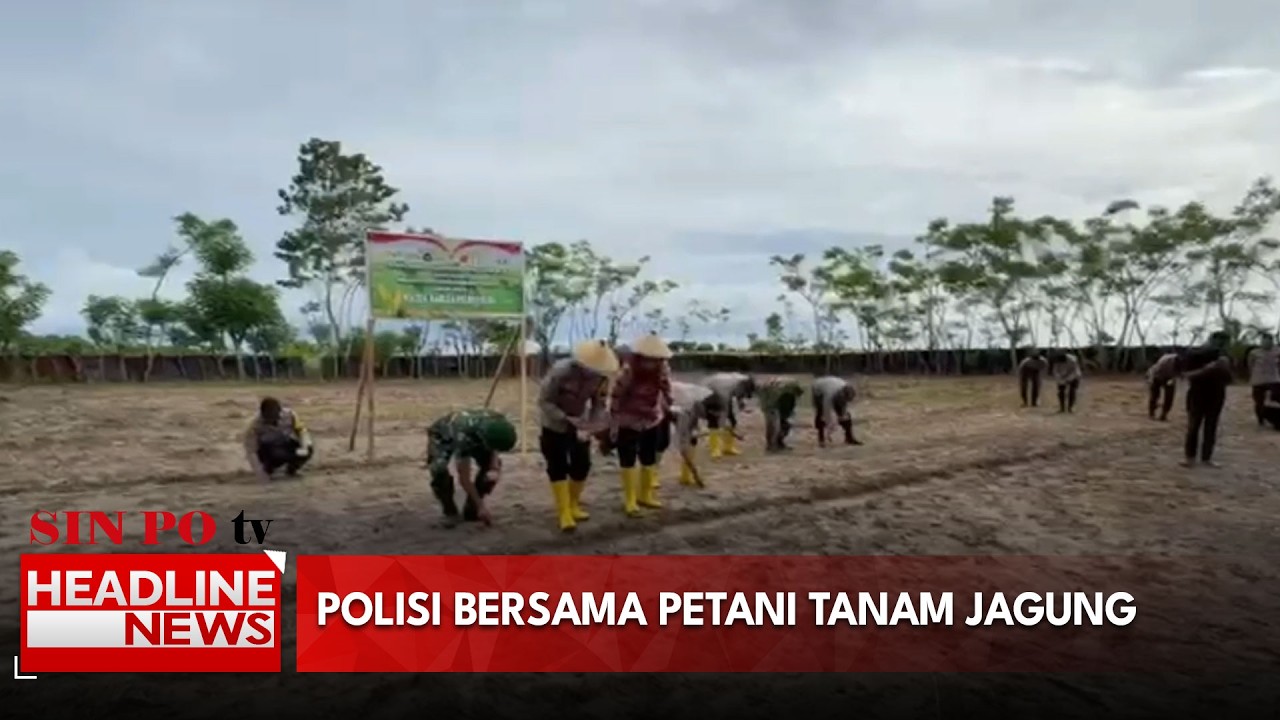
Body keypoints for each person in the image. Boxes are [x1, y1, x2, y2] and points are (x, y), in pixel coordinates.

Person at [538, 340, 619, 532]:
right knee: (557, 465)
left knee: (582, 464)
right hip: (554, 424)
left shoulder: (601, 379)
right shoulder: (560, 372)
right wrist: (564, 418)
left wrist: (591, 425)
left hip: (580, 425)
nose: (594, 371)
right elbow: (544, 401)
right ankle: (563, 512)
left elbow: (598, 405)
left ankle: (574, 504)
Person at [609, 333, 674, 516]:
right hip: (628, 419)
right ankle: (630, 500)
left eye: (656, 359)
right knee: (628, 459)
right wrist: (614, 420)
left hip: (652, 418)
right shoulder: (629, 370)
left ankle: (645, 495)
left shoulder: (663, 368)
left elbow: (667, 388)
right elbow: (616, 394)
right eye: (649, 359)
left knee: (649, 457)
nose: (652, 362)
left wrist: (670, 404)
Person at [424, 408, 517, 526]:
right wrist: (481, 506)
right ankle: (450, 511)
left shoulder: (499, 421)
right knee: (438, 469)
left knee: (491, 469)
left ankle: (471, 509)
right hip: (443, 435)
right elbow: (464, 479)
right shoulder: (463, 436)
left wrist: (494, 467)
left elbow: (494, 448)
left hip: (475, 435)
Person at [1179, 331, 1233, 468]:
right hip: (1197, 395)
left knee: (1211, 428)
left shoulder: (1224, 357)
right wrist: (1208, 369)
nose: (1221, 346)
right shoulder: (1195, 354)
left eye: (1224, 344)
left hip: (1217, 395)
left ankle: (1206, 458)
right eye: (1220, 342)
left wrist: (1225, 368)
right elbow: (1186, 375)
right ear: (1211, 340)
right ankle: (1189, 457)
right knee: (1193, 426)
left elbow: (1230, 380)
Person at [243, 397, 313, 482]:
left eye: (275, 416)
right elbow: (251, 452)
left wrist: (304, 446)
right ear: (263, 414)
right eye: (269, 417)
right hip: (267, 451)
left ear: (280, 411)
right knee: (277, 454)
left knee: (307, 450)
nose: (273, 420)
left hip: (285, 444)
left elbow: (301, 431)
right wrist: (261, 475)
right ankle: (268, 469)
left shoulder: (290, 415)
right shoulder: (254, 426)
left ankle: (291, 470)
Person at [669, 381, 725, 485]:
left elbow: (693, 427)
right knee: (657, 446)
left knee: (692, 440)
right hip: (651, 416)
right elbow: (682, 443)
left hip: (681, 414)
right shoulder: (684, 411)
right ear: (702, 408)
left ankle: (685, 476)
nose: (706, 418)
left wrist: (695, 432)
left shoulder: (698, 399)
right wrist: (694, 472)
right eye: (707, 415)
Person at [701, 372, 757, 458]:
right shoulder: (725, 389)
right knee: (715, 420)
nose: (743, 395)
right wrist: (723, 422)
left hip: (722, 392)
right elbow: (724, 408)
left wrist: (740, 402)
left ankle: (728, 447)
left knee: (732, 420)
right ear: (741, 387)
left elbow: (739, 394)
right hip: (708, 392)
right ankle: (715, 449)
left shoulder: (743, 382)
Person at [756, 377, 806, 452]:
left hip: (776, 404)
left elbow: (788, 406)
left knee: (784, 426)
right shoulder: (781, 389)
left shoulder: (789, 392)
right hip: (770, 405)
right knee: (774, 427)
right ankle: (771, 446)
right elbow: (770, 399)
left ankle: (779, 443)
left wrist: (786, 417)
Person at [811, 375, 862, 447]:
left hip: (832, 385)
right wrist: (830, 427)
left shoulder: (846, 389)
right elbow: (827, 411)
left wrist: (843, 416)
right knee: (821, 413)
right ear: (841, 394)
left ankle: (849, 438)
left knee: (846, 416)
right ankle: (821, 439)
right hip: (819, 390)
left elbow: (844, 410)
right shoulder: (829, 394)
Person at [1247, 333, 1280, 428]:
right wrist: (1252, 376)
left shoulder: (1277, 351)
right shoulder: (1254, 352)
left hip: (1274, 379)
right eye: (1265, 340)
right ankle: (1260, 419)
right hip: (1258, 380)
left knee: (1276, 400)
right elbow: (1250, 365)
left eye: (1270, 340)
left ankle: (1275, 419)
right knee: (1259, 401)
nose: (1268, 343)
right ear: (1262, 341)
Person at [1145, 351, 1181, 421]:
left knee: (1168, 395)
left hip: (1165, 376)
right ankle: (1153, 413)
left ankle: (1162, 414)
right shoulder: (1168, 361)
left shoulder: (1174, 359)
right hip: (1157, 375)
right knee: (1156, 395)